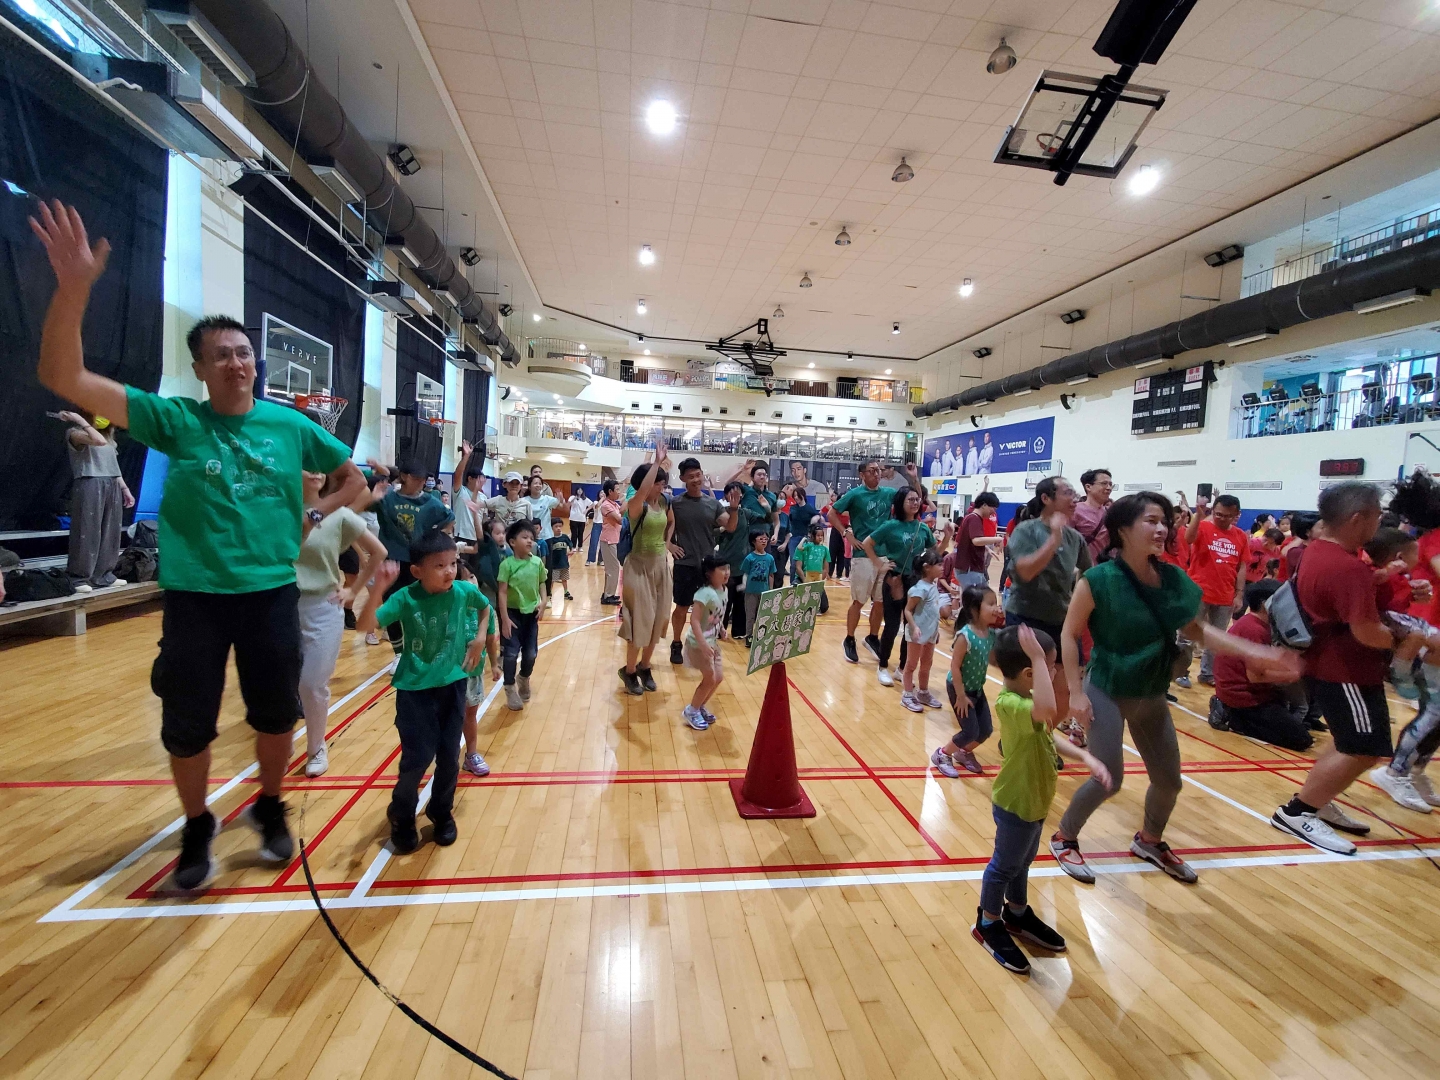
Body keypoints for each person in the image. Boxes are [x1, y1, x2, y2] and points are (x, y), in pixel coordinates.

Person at [30, 200, 368, 891]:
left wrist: (317, 511)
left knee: (277, 715)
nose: (237, 362)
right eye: (223, 355)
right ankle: (195, 826)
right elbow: (65, 378)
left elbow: (355, 479)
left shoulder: (288, 425)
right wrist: (73, 291)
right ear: (200, 368)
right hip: (194, 599)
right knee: (188, 724)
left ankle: (270, 806)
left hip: (271, 592)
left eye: (244, 352)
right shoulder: (174, 419)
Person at [1052, 492, 1300, 885]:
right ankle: (1065, 836)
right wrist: (1076, 693)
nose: (1162, 528)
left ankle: (1150, 840)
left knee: (1169, 781)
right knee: (1108, 778)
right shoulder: (1098, 580)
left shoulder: (1171, 578)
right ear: (1123, 530)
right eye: (1151, 521)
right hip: (1108, 688)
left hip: (1151, 691)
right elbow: (1069, 635)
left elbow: (1198, 631)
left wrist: (1257, 652)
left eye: (1164, 520)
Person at [1271, 483, 1420, 852]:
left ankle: (1316, 802)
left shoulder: (1317, 552)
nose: (1379, 523)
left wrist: (1382, 580)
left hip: (1329, 666)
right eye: (1377, 516)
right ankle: (1298, 811)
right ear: (1358, 518)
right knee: (1363, 748)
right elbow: (1368, 632)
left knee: (1348, 743)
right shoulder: (1347, 567)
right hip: (1345, 671)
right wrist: (1407, 640)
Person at [972, 625, 1112, 975]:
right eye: (1051, 667)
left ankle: (1016, 913)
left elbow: (1049, 736)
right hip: (1016, 803)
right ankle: (988, 923)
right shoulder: (1012, 704)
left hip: (1035, 802)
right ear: (1030, 673)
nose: (1055, 672)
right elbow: (1049, 711)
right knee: (1004, 865)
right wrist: (1038, 655)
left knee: (1023, 863)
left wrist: (1086, 758)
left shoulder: (1028, 704)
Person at [356, 531, 495, 854]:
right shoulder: (405, 598)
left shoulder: (462, 592)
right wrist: (378, 588)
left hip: (453, 686)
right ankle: (401, 815)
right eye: (440, 566)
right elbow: (365, 625)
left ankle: (441, 811)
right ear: (417, 571)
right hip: (415, 691)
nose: (450, 571)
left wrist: (478, 639)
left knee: (449, 757)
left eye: (453, 563)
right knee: (417, 759)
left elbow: (485, 607)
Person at [295, 471, 385, 777]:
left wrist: (353, 591)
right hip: (280, 605)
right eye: (309, 466)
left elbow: (378, 552)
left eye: (322, 467)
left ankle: (316, 746)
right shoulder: (279, 510)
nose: (317, 473)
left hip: (323, 605)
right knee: (282, 686)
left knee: (312, 683)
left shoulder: (339, 515)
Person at [1208, 579, 1315, 751]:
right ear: (1266, 604)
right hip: (1244, 697)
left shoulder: (1260, 624)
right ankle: (1232, 717)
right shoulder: (1254, 629)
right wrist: (1292, 673)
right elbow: (1255, 676)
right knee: (1301, 740)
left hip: (1256, 691)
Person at [830, 460, 918, 665]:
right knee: (859, 601)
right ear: (862, 474)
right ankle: (849, 639)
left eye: (879, 470)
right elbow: (832, 513)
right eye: (872, 471)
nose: (877, 474)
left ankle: (872, 637)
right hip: (863, 556)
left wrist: (913, 477)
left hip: (884, 556)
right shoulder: (854, 494)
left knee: (879, 602)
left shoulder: (888, 493)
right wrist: (846, 534)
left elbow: (914, 498)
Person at [862, 485, 941, 688]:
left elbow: (934, 553)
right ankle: (882, 666)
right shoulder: (890, 526)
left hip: (915, 582)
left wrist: (947, 537)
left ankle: (902, 669)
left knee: (911, 627)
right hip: (894, 579)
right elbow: (867, 543)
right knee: (891, 625)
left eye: (917, 500)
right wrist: (880, 564)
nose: (915, 503)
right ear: (901, 503)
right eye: (910, 500)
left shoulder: (922, 528)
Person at [375, 459, 454, 648]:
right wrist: (379, 473)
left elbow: (449, 519)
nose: (421, 482)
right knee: (391, 605)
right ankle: (398, 651)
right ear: (404, 477)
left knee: (418, 604)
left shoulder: (429, 502)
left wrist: (434, 541)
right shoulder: (388, 499)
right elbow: (361, 496)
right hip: (392, 560)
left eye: (423, 479)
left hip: (417, 561)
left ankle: (420, 645)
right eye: (416, 478)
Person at [1004, 476, 1090, 644]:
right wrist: (1054, 539)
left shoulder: (1075, 538)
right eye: (1068, 493)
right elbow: (1025, 573)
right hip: (1025, 617)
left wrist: (1075, 603)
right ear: (1046, 498)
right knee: (1029, 669)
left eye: (1074, 494)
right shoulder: (1025, 530)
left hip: (1061, 618)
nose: (1074, 500)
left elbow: (1087, 573)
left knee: (1067, 669)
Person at [618, 452, 676, 696]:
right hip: (638, 568)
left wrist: (668, 543)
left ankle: (645, 666)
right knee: (639, 622)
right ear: (647, 484)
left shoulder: (664, 503)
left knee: (660, 618)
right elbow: (641, 492)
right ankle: (629, 671)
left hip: (661, 566)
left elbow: (671, 521)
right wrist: (654, 463)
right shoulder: (635, 506)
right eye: (658, 482)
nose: (663, 486)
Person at [57, 409, 133, 590]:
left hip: (111, 483)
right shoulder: (76, 433)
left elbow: (114, 467)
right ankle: (79, 577)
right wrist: (80, 421)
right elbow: (97, 441)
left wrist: (125, 488)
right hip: (89, 481)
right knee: (87, 529)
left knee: (110, 530)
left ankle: (104, 575)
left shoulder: (110, 440)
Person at [668, 457, 732, 665]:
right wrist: (669, 545)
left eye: (698, 475)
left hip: (707, 566)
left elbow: (729, 526)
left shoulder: (712, 504)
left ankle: (704, 642)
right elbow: (664, 527)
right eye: (691, 476)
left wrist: (735, 508)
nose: (696, 479)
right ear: (683, 479)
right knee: (681, 607)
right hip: (684, 564)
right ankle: (676, 643)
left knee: (707, 607)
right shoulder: (675, 504)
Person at [1180, 492, 1248, 688]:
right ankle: (1181, 672)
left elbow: (1241, 566)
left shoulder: (1240, 536)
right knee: (1187, 635)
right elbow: (1188, 538)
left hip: (1225, 596)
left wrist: (1239, 593)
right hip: (1198, 592)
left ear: (1236, 515)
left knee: (1216, 639)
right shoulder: (1203, 526)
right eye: (1218, 514)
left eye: (1227, 516)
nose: (1222, 519)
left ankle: (1207, 673)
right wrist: (1198, 516)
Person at [934, 585, 1000, 777]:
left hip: (977, 688)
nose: (996, 608)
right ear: (974, 609)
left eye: (996, 603)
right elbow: (955, 666)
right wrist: (961, 696)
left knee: (986, 729)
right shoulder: (965, 636)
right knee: (970, 731)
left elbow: (993, 660)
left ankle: (964, 753)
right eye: (991, 604)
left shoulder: (991, 634)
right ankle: (942, 754)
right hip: (959, 689)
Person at [455, 560, 499, 778]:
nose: (470, 582)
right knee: (449, 717)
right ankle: (447, 754)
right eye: (464, 578)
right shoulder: (451, 607)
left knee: (470, 714)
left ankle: (471, 754)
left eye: (472, 577)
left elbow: (491, 639)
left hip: (473, 673)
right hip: (449, 676)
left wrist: (495, 664)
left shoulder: (486, 609)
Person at [498, 519, 547, 711]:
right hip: (512, 615)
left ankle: (523, 677)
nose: (529, 541)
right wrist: (504, 618)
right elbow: (501, 592)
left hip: (531, 615)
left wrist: (543, 602)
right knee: (510, 654)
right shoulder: (507, 565)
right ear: (512, 542)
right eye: (524, 537)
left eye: (532, 538)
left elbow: (543, 582)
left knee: (531, 654)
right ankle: (509, 687)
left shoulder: (536, 563)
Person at [682, 556, 730, 731]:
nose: (727, 573)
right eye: (722, 569)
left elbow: (718, 614)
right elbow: (694, 620)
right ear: (709, 573)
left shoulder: (723, 590)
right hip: (698, 643)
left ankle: (700, 705)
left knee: (718, 678)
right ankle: (692, 710)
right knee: (709, 678)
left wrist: (722, 628)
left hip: (712, 642)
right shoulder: (704, 593)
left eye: (728, 568)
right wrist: (702, 643)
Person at [900, 550, 950, 712]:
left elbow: (933, 612)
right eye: (939, 565)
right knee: (911, 664)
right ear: (927, 568)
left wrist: (935, 632)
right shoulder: (919, 589)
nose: (943, 567)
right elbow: (907, 610)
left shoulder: (932, 586)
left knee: (927, 664)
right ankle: (907, 695)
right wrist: (914, 628)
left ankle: (923, 692)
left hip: (930, 634)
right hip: (918, 634)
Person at [717, 482, 758, 639]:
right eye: (733, 492)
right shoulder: (721, 513)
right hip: (726, 562)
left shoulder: (745, 513)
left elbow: (766, 517)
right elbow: (714, 532)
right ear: (726, 495)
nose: (737, 495)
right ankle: (719, 629)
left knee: (741, 599)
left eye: (740, 493)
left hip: (743, 562)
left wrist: (769, 507)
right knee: (725, 599)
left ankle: (739, 631)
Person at [948, 492, 1003, 588]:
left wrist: (987, 548)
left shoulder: (972, 517)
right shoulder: (974, 519)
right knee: (974, 600)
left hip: (969, 568)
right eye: (993, 508)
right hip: (969, 569)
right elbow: (976, 541)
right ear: (984, 505)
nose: (993, 512)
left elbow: (971, 539)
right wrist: (998, 538)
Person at [739, 530, 777, 644]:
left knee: (763, 616)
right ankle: (749, 636)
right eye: (761, 539)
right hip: (751, 591)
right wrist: (744, 584)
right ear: (753, 541)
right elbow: (745, 573)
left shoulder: (770, 558)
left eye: (766, 539)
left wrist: (770, 590)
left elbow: (771, 575)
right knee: (750, 616)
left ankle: (761, 636)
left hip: (764, 592)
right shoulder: (749, 558)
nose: (764, 541)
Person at [1071, 468, 1112, 565]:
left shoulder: (1110, 512)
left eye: (1110, 484)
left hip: (1106, 567)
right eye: (1104, 483)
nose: (1108, 488)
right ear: (1088, 487)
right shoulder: (1074, 511)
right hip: (1083, 568)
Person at [451, 440, 484, 554]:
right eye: (479, 479)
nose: (482, 482)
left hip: (477, 538)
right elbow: (458, 475)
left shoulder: (484, 498)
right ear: (470, 478)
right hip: (460, 537)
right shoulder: (461, 491)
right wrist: (466, 456)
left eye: (483, 480)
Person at [597, 478, 623, 604]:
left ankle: (608, 593)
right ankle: (608, 596)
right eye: (617, 490)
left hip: (613, 539)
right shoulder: (606, 505)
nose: (619, 492)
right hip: (608, 540)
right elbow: (619, 519)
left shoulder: (614, 504)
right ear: (610, 491)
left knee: (611, 568)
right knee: (613, 568)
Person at [523, 474, 561, 541]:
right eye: (535, 483)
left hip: (546, 537)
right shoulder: (524, 501)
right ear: (529, 487)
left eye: (540, 484)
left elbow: (563, 508)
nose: (538, 485)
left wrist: (562, 500)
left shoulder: (547, 499)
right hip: (529, 536)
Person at [546, 529, 573, 604]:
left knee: (564, 579)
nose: (558, 528)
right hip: (555, 564)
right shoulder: (551, 539)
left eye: (560, 526)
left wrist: (571, 549)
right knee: (552, 580)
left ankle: (566, 592)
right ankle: (549, 593)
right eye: (556, 526)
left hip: (564, 563)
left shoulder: (564, 537)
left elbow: (570, 543)